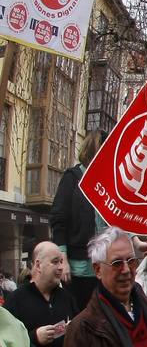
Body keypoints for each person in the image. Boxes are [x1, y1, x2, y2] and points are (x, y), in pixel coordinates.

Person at [50, 132, 105, 309]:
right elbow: (59, 221)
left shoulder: (106, 182)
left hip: (103, 268)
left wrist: (134, 240)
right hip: (76, 269)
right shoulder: (72, 178)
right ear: (92, 151)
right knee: (77, 317)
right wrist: (62, 260)